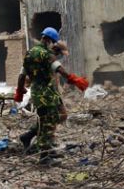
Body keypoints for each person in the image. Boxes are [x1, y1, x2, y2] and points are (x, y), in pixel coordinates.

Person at [14, 27, 89, 165]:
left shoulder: (30, 53)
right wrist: (74, 80)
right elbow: (60, 69)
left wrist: (20, 90)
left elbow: (22, 75)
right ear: (49, 41)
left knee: (59, 116)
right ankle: (44, 156)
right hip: (46, 94)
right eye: (53, 43)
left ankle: (30, 137)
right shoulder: (46, 55)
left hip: (43, 93)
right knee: (48, 122)